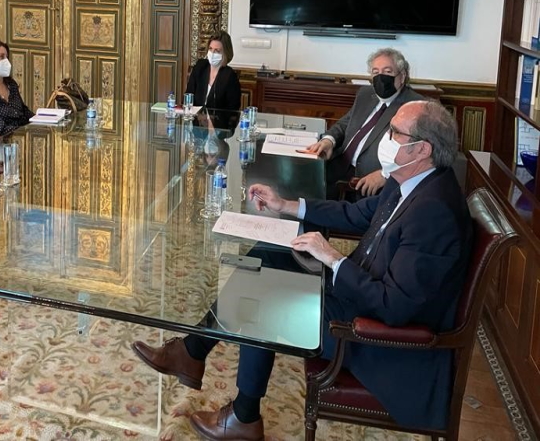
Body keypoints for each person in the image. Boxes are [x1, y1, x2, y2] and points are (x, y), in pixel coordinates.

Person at [132, 100, 472, 440]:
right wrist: (286, 205)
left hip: (375, 336)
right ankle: (192, 352)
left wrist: (332, 259)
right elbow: (353, 215)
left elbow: (395, 307)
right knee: (266, 256)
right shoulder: (410, 180)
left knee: (260, 299)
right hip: (356, 294)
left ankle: (243, 416)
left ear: (422, 148)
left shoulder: (434, 212)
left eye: (394, 132)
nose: (385, 137)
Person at [303, 48, 423, 199]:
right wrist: (328, 141)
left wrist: (386, 175)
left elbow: (420, 153)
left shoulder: (416, 106)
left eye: (387, 72)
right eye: (375, 72)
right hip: (335, 165)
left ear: (402, 76)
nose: (380, 77)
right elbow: (345, 123)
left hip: (367, 183)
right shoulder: (366, 94)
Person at [185, 31, 242, 111]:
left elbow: (233, 109)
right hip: (195, 119)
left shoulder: (230, 76)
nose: (212, 53)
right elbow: (188, 96)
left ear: (225, 53)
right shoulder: (200, 67)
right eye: (210, 49)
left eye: (217, 51)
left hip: (218, 121)